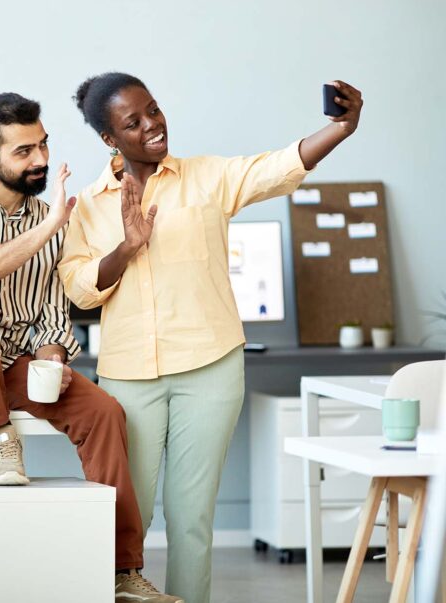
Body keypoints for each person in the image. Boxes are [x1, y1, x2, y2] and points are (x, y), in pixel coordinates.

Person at [59, 73, 363, 603]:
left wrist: (340, 128)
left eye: (154, 110)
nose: (153, 125)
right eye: (133, 122)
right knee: (127, 514)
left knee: (192, 516)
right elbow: (79, 289)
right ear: (109, 139)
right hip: (128, 376)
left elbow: (276, 168)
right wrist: (126, 248)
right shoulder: (88, 205)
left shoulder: (206, 177)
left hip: (210, 367)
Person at [0, 92, 180, 602]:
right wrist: (50, 227)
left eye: (43, 145)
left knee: (103, 412)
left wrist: (51, 355)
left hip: (2, 362)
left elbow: (50, 313)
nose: (41, 159)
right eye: (24, 151)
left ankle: (122, 570)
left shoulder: (49, 217)